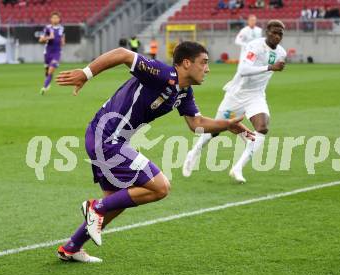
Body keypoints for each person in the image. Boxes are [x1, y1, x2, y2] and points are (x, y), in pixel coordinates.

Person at [54, 42, 255, 262]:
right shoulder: (161, 73)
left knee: (117, 200)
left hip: (106, 137)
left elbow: (196, 123)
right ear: (187, 63)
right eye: (204, 63)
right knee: (160, 187)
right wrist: (85, 74)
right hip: (107, 137)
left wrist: (226, 125)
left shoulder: (184, 91)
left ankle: (72, 247)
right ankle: (94, 207)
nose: (207, 68)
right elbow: (122, 54)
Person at [183, 20, 287, 183]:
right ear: (266, 32)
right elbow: (243, 70)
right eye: (274, 32)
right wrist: (269, 67)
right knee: (214, 130)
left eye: (280, 33)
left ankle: (237, 168)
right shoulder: (254, 46)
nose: (277, 36)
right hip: (236, 95)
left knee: (262, 128)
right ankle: (193, 152)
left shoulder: (282, 53)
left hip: (256, 96)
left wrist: (271, 67)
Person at [39, 12, 65, 95]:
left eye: (56, 18)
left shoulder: (61, 28)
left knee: (51, 70)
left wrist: (62, 42)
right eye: (53, 18)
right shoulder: (47, 28)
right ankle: (48, 82)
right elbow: (41, 40)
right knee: (47, 71)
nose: (55, 19)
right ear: (51, 19)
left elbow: (63, 40)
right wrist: (48, 37)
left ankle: (44, 87)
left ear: (59, 19)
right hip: (47, 52)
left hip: (56, 53)